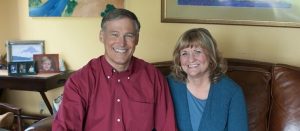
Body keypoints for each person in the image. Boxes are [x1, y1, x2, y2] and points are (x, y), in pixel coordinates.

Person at [52, 7, 177, 131]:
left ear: (137, 39)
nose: (121, 43)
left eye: (128, 35)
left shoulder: (154, 77)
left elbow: (167, 127)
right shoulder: (80, 81)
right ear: (101, 36)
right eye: (114, 34)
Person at [167, 28, 248, 131]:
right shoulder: (167, 86)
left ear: (211, 55)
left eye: (197, 51)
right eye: (184, 53)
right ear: (179, 59)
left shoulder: (232, 92)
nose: (191, 59)